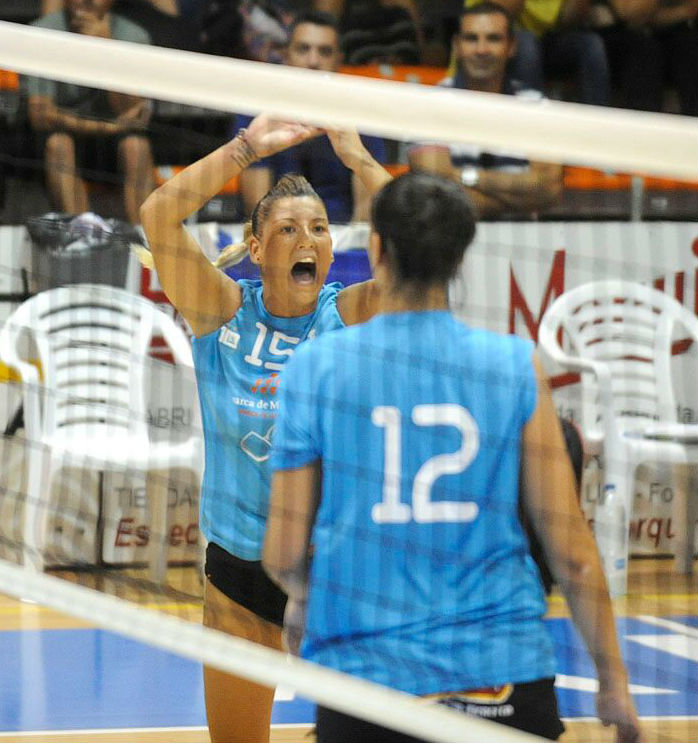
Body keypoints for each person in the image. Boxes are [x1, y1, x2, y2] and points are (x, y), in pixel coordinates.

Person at [263, 171, 643, 742]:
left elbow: (284, 555)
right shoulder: (514, 366)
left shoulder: (316, 369)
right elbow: (574, 555)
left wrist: (322, 602)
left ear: (376, 249)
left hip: (366, 675)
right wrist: (613, 683)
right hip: (500, 676)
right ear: (459, 257)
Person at [139, 114, 390, 742]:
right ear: (256, 249)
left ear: (333, 249)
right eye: (287, 228)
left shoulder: (353, 315)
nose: (307, 239)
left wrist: (358, 159)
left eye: (319, 228)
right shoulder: (219, 310)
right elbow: (159, 215)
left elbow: (423, 246)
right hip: (241, 572)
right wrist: (246, 148)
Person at [409, 3, 563, 218]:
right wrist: (520, 199)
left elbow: (550, 189)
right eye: (472, 39)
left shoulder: (538, 107)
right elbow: (433, 190)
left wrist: (465, 176)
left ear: (511, 47)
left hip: (524, 241)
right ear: (457, 46)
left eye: (493, 39)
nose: (482, 49)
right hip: (447, 243)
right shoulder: (430, 105)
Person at [231, 10, 386, 222]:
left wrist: (350, 253)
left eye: (325, 51)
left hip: (342, 238)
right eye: (303, 49)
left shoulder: (359, 115)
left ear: (338, 60)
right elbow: (256, 209)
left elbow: (365, 213)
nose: (313, 61)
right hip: (275, 235)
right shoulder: (255, 112)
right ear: (286, 55)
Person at [25, 0, 155, 224]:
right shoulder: (42, 33)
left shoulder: (134, 36)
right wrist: (109, 127)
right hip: (65, 138)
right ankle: (83, 237)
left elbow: (132, 112)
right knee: (58, 144)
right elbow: (40, 115)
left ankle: (145, 244)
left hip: (114, 144)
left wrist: (106, 51)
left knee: (137, 146)